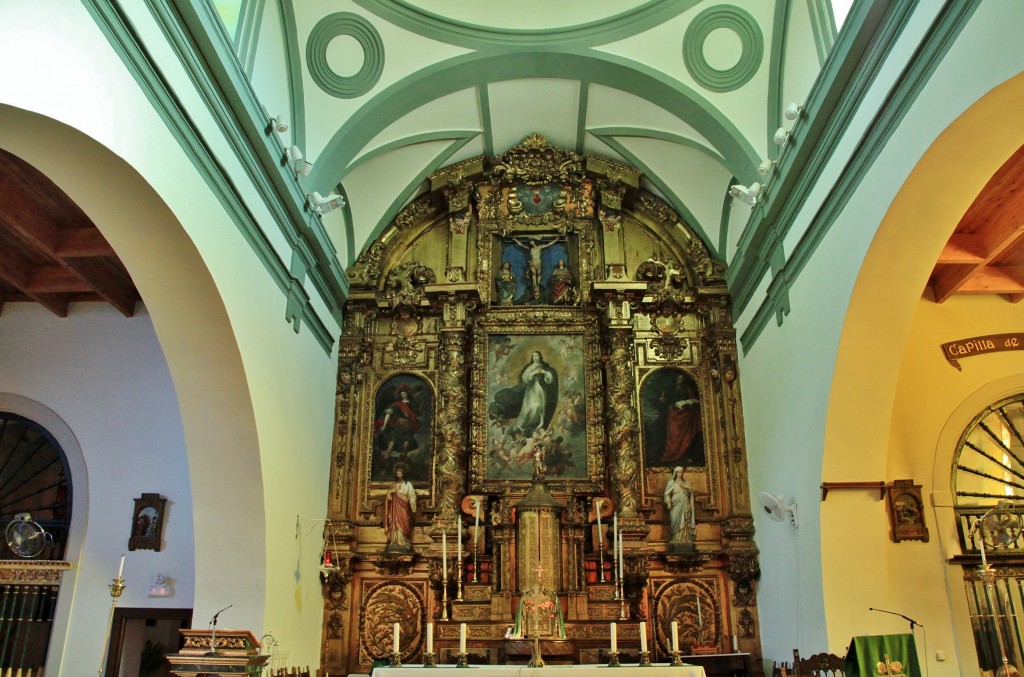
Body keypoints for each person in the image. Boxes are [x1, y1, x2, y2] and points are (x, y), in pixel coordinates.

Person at [658, 374, 702, 464]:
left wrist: (690, 402)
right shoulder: (670, 389)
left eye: (681, 378)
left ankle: (684, 455)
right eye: (678, 378)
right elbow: (666, 399)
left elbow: (693, 399)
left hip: (684, 414)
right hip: (673, 414)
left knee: (686, 435)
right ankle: (672, 454)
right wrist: (663, 400)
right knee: (673, 434)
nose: (679, 379)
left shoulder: (687, 389)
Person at [384, 464, 417, 552]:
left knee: (404, 522)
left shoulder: (408, 484)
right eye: (397, 474)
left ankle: (404, 541)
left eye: (400, 474)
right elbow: (388, 498)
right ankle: (395, 541)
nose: (399, 475)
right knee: (395, 522)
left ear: (403, 474)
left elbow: (412, 495)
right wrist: (391, 492)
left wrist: (412, 503)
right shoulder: (393, 485)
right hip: (395, 508)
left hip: (404, 507)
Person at [664, 467, 695, 544]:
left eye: (681, 472)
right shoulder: (671, 482)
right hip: (675, 503)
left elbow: (691, 491)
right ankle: (675, 537)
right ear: (675, 473)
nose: (680, 474)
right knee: (674, 519)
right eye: (678, 472)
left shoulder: (685, 482)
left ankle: (684, 537)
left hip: (684, 502)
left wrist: (687, 487)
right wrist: (668, 502)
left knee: (684, 519)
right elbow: (667, 494)